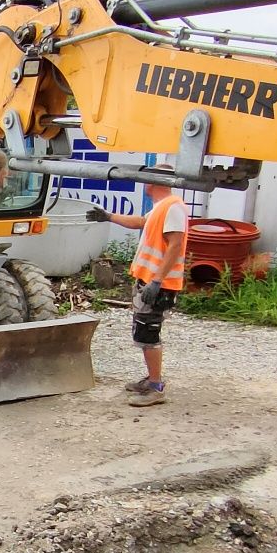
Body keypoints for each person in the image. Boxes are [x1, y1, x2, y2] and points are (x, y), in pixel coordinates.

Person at [86, 174, 188, 407]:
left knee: (148, 332)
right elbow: (141, 222)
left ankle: (155, 386)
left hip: (158, 285)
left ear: (153, 183)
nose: (144, 184)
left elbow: (176, 245)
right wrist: (109, 217)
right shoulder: (163, 208)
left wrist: (157, 280)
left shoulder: (173, 208)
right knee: (143, 331)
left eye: (146, 180)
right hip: (150, 281)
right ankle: (152, 379)